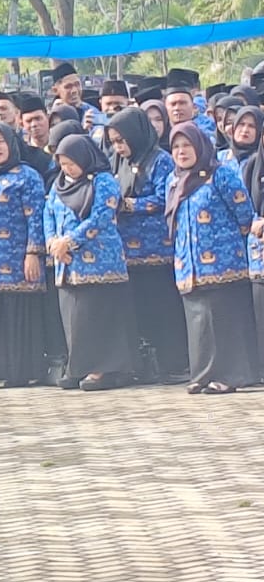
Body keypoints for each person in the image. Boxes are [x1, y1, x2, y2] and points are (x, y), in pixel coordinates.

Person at [166, 123, 260, 394]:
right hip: (189, 265)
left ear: (201, 146)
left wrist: (224, 246)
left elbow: (244, 215)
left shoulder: (221, 175)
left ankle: (230, 376)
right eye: (176, 147)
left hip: (224, 263)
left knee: (225, 319)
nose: (182, 152)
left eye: (187, 145)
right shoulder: (174, 181)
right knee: (199, 322)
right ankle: (203, 374)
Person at [43, 134, 138, 390]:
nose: (67, 168)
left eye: (71, 163)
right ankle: (79, 366)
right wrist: (52, 241)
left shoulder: (104, 181)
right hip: (67, 264)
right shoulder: (59, 184)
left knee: (96, 317)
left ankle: (102, 368)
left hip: (100, 262)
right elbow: (48, 212)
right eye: (62, 163)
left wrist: (70, 241)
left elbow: (100, 217)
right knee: (74, 318)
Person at [106, 106, 185, 382]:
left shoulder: (160, 160)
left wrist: (130, 205)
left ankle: (172, 364)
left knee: (162, 308)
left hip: (157, 251)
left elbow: (167, 198)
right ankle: (146, 366)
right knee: (139, 310)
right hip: (128, 252)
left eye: (121, 140)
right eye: (113, 142)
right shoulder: (119, 162)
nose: (118, 147)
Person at [0, 125, 47, 387]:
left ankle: (21, 372)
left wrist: (33, 253)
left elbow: (36, 217)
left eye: (2, 141)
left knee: (16, 313)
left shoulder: (27, 176)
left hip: (17, 260)